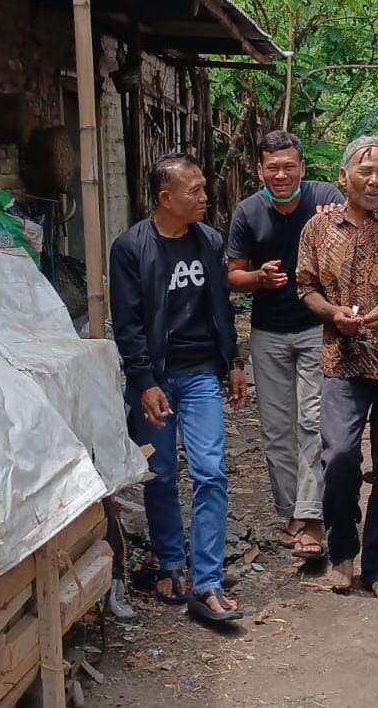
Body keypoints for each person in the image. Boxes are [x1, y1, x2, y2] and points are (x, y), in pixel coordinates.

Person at [109, 152, 247, 624]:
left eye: (204, 188)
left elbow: (220, 307)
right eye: (196, 191)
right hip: (155, 378)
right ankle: (170, 562)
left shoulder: (208, 240)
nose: (205, 198)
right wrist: (144, 381)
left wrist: (232, 361)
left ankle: (206, 579)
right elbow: (127, 324)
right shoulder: (131, 248)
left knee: (210, 472)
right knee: (162, 473)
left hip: (200, 374)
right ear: (166, 198)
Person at [296, 136, 378, 602]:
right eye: (366, 170)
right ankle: (342, 550)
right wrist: (332, 315)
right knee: (341, 455)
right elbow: (305, 286)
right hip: (342, 359)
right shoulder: (319, 229)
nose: (376, 180)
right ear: (342, 177)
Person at [227, 131, 343, 560]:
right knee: (276, 429)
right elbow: (232, 274)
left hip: (316, 326)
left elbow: (352, 236)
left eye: (288, 166)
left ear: (302, 168)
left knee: (313, 422)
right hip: (268, 331)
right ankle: (292, 511)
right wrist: (258, 278)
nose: (281, 174)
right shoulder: (248, 212)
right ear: (259, 170)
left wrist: (336, 222)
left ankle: (312, 518)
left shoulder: (324, 197)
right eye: (272, 167)